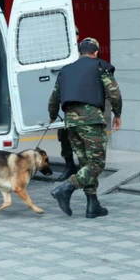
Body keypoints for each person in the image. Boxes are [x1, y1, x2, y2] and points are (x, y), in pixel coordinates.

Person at [47, 37, 122, 218]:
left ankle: (92, 205)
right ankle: (66, 188)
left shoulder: (66, 70)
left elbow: (54, 97)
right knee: (96, 164)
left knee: (85, 164)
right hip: (91, 121)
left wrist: (51, 115)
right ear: (96, 52)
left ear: (80, 53)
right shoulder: (100, 66)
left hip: (71, 124)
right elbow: (114, 93)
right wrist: (117, 114)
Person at [56, 25, 80, 181]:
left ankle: (83, 168)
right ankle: (69, 164)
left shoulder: (83, 53)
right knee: (63, 134)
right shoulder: (58, 52)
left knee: (80, 135)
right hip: (64, 100)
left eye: (75, 34)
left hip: (79, 101)